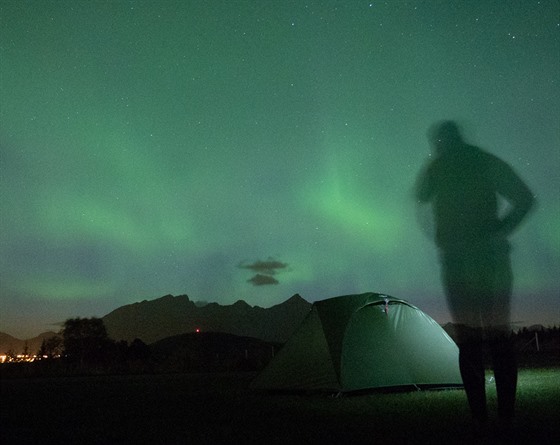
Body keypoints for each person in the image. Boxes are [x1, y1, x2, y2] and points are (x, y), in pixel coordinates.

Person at [414, 121, 535, 429]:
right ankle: (492, 418)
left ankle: (489, 418)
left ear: (444, 141)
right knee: (485, 339)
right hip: (467, 263)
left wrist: (497, 233)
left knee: (482, 339)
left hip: (481, 262)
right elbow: (524, 198)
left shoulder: (465, 163)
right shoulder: (460, 164)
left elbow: (524, 198)